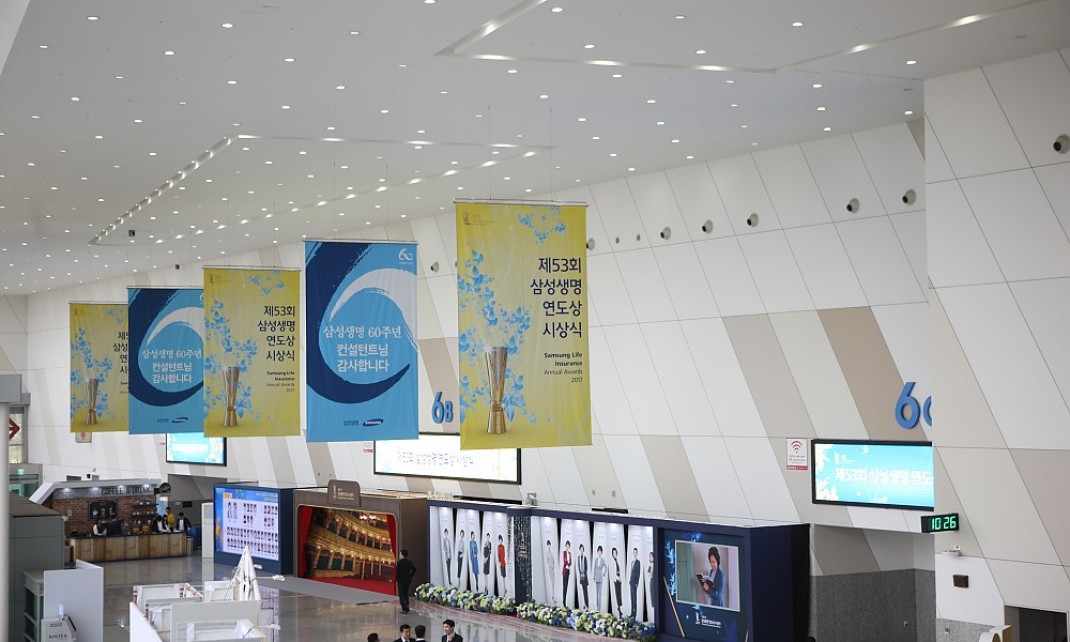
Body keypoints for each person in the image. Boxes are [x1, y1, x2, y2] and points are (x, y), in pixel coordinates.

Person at [396, 549, 417, 613]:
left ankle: (404, 608)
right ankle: (407, 606)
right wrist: (410, 576)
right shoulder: (409, 562)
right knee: (406, 593)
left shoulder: (399, 563)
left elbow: (398, 573)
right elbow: (414, 569)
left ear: (402, 555)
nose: (399, 555)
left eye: (400, 554)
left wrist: (397, 579)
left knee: (401, 594)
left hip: (401, 580)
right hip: (408, 580)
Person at [629, 547, 641, 618]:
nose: (635, 553)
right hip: (631, 582)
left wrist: (637, 582)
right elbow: (632, 572)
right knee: (631, 598)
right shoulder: (632, 562)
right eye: (634, 552)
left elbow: (638, 573)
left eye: (636, 552)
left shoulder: (638, 562)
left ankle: (634, 614)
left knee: (634, 598)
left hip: (635, 583)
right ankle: (632, 613)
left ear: (637, 553)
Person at [593, 545, 606, 611]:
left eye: (600, 551)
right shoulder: (596, 560)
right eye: (598, 551)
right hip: (596, 577)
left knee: (599, 594)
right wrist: (593, 577)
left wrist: (604, 573)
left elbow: (606, 567)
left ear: (601, 552)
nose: (599, 552)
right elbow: (594, 568)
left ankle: (599, 608)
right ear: (597, 552)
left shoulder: (603, 560)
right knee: (596, 593)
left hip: (600, 578)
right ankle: (597, 606)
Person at [577, 543, 589, 609]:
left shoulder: (585, 558)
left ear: (583, 550)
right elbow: (579, 566)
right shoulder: (579, 558)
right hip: (581, 576)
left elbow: (586, 567)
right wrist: (580, 573)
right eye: (580, 549)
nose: (581, 550)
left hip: (585, 576)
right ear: (579, 550)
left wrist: (584, 573)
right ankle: (585, 603)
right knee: (583, 590)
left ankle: (587, 604)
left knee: (585, 591)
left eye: (582, 549)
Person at [611, 547, 623, 617]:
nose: (614, 554)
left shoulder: (617, 561)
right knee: (617, 594)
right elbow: (613, 572)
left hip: (619, 579)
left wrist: (620, 578)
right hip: (616, 580)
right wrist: (618, 578)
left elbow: (618, 570)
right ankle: (619, 609)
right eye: (613, 553)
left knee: (619, 594)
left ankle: (620, 608)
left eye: (615, 553)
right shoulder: (612, 562)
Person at [544, 539, 556, 605]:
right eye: (548, 545)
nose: (549, 546)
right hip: (550, 568)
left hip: (553, 568)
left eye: (550, 545)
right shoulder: (547, 553)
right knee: (551, 582)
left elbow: (553, 560)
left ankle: (553, 596)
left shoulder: (551, 552)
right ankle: (552, 596)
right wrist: (551, 566)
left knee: (553, 583)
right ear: (547, 545)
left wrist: (553, 565)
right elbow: (547, 562)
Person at [561, 540, 572, 605]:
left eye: (568, 545)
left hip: (568, 570)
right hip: (565, 570)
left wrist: (568, 563)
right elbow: (565, 561)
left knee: (566, 585)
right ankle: (563, 600)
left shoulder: (570, 553)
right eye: (567, 545)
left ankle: (565, 599)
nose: (567, 547)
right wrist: (568, 563)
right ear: (565, 546)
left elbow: (571, 562)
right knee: (564, 586)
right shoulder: (564, 552)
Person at [645, 550, 654, 619]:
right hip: (651, 581)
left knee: (654, 595)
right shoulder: (650, 565)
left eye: (651, 556)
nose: (650, 558)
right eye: (649, 557)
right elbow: (648, 574)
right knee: (651, 596)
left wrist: (651, 574)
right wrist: (651, 574)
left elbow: (652, 574)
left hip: (654, 581)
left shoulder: (655, 565)